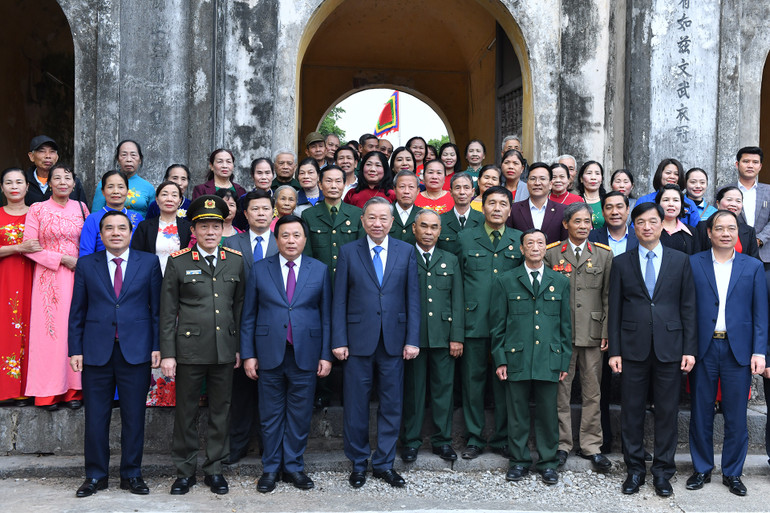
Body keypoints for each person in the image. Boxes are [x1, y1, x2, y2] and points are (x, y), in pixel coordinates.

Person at [68, 210, 163, 498]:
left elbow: (157, 310)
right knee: (96, 418)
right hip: (96, 351)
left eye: (122, 228)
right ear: (101, 234)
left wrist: (158, 346)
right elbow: (77, 311)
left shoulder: (148, 263)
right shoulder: (86, 264)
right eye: (109, 228)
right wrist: (75, 349)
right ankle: (95, 476)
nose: (116, 233)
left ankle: (131, 474)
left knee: (134, 417)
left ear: (130, 233)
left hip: (136, 350)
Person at [608, 202, 697, 497]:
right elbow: (615, 309)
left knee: (667, 413)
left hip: (670, 348)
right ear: (634, 227)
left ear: (662, 224)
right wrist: (615, 351)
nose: (647, 227)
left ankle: (662, 472)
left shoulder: (680, 260)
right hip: (632, 350)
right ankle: (634, 470)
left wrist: (689, 349)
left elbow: (688, 307)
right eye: (641, 222)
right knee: (631, 411)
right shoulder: (621, 262)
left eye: (652, 221)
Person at [159, 195, 245, 496]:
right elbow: (168, 312)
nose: (210, 232)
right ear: (193, 231)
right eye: (204, 226)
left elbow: (239, 307)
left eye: (216, 226)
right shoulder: (178, 262)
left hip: (224, 349)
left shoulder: (235, 260)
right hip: (189, 351)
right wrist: (168, 354)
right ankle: (184, 471)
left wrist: (238, 348)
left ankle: (215, 469)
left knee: (220, 411)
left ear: (223, 229)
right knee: (186, 412)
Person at [332, 196, 420, 489]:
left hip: (394, 342)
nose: (377, 223)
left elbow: (413, 299)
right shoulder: (348, 252)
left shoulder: (406, 251)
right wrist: (339, 339)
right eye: (372, 218)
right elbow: (339, 300)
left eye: (383, 218)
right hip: (357, 343)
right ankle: (358, 463)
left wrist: (412, 340)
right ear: (363, 220)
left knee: (392, 405)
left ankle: (383, 463)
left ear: (392, 222)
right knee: (355, 405)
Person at [241, 215, 332, 493]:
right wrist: (248, 354)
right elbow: (249, 315)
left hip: (306, 352)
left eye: (296, 235)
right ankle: (270, 468)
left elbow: (326, 316)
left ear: (305, 239)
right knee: (269, 414)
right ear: (276, 238)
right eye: (285, 236)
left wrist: (326, 354)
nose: (291, 241)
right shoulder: (260, 269)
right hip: (269, 353)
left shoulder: (319, 269)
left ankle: (293, 466)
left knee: (300, 413)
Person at [685, 210, 767, 496]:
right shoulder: (693, 264)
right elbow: (687, 310)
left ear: (738, 233)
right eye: (719, 228)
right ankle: (702, 468)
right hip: (703, 349)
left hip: (738, 350)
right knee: (700, 412)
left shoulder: (752, 267)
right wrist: (687, 348)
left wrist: (760, 352)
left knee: (736, 416)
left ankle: (733, 472)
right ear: (709, 232)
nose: (725, 233)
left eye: (731, 228)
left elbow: (760, 314)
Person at [490, 228, 571, 485]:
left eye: (540, 242)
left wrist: (563, 360)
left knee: (548, 413)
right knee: (517, 412)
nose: (535, 247)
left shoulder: (560, 281)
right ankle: (519, 461)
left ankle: (548, 463)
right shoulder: (506, 280)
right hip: (516, 357)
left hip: (548, 357)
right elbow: (498, 324)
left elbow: (565, 326)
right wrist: (500, 357)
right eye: (529, 243)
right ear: (522, 249)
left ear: (546, 248)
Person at [544, 203, 613, 472]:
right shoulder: (552, 254)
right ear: (566, 224)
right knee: (560, 392)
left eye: (587, 222)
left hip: (593, 334)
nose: (583, 226)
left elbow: (607, 297)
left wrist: (606, 331)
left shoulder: (604, 255)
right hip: (560, 335)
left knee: (592, 393)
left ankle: (591, 446)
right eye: (577, 221)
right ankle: (562, 444)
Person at [457, 186, 523, 459]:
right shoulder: (464, 238)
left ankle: (501, 437)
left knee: (504, 382)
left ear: (510, 209)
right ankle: (474, 436)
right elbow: (457, 283)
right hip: (473, 322)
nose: (497, 208)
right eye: (491, 203)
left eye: (503, 204)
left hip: (508, 326)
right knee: (472, 381)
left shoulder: (519, 239)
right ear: (481, 207)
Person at [23, 163, 88, 410]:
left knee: (74, 329)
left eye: (67, 178)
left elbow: (88, 241)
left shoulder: (81, 208)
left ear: (74, 184)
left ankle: (73, 391)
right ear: (48, 183)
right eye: (57, 178)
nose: (62, 182)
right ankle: (46, 392)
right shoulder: (37, 209)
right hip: (48, 277)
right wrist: (61, 259)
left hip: (77, 276)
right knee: (49, 333)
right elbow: (29, 246)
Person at [400, 210, 464, 463]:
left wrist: (457, 336)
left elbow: (457, 299)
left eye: (434, 227)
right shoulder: (403, 255)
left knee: (443, 391)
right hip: (413, 338)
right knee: (413, 392)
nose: (428, 232)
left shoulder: (450, 259)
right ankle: (411, 441)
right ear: (414, 229)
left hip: (443, 336)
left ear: (440, 230)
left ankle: (442, 440)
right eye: (423, 226)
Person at [221, 188, 278, 463]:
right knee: (241, 391)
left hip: (275, 328)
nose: (260, 213)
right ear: (245, 214)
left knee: (272, 392)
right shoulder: (231, 243)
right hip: (240, 323)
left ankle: (270, 446)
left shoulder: (284, 242)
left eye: (265, 208)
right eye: (254, 209)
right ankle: (239, 445)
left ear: (273, 212)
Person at [588, 191, 638, 453]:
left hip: (634, 321)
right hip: (601, 319)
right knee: (601, 386)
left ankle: (634, 444)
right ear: (603, 212)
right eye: (609, 207)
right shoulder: (593, 237)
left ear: (628, 210)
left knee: (634, 387)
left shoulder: (640, 237)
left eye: (620, 206)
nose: (615, 211)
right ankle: (603, 439)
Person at [0, 168, 38, 405]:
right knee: (6, 330)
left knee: (30, 328)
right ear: (2, 188)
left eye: (19, 182)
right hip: (5, 279)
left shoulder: (36, 215)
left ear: (27, 187)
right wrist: (17, 248)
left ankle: (28, 389)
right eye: (8, 182)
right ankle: (6, 390)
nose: (14, 186)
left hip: (33, 277)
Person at [302, 165, 364, 279]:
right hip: (319, 279)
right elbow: (307, 254)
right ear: (320, 185)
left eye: (338, 181)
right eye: (328, 181)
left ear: (344, 184)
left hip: (349, 278)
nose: (334, 186)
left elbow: (361, 252)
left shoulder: (357, 214)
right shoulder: (308, 215)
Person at [131, 181, 192, 275]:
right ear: (157, 199)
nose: (169, 199)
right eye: (164, 194)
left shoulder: (188, 228)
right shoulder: (144, 227)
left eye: (174, 195)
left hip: (180, 280)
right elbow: (136, 255)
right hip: (150, 278)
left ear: (179, 201)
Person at [79, 170, 144, 257]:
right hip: (99, 268)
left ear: (127, 191)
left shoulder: (137, 218)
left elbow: (143, 252)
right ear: (103, 191)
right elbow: (85, 254)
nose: (116, 191)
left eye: (121, 187)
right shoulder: (93, 219)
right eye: (110, 187)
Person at [727, 147, 770, 265]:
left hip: (765, 254)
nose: (750, 165)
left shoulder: (768, 191)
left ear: (760, 166)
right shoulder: (725, 191)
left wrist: (759, 239)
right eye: (746, 161)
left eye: (755, 162)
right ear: (737, 164)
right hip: (735, 251)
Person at [92, 140, 156, 218]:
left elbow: (153, 218)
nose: (129, 159)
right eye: (124, 155)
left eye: (133, 155)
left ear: (140, 159)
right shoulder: (105, 183)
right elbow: (96, 214)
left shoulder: (148, 187)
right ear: (118, 159)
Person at [507, 162, 566, 244]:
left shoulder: (562, 211)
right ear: (527, 184)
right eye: (533, 178)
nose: (537, 183)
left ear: (550, 184)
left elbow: (565, 242)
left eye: (542, 178)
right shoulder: (514, 209)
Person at [696, 186, 759, 258]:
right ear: (718, 203)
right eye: (729, 200)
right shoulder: (703, 227)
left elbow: (754, 261)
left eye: (738, 201)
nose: (733, 204)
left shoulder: (749, 231)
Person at [635, 158, 700, 227]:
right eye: (668, 173)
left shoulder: (689, 203)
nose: (672, 177)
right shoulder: (644, 201)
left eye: (676, 174)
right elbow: (635, 229)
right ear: (660, 175)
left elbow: (696, 232)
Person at [24, 135, 87, 206]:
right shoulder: (23, 182)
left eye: (52, 152)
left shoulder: (70, 182)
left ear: (57, 157)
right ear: (31, 156)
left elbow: (82, 212)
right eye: (42, 151)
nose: (48, 156)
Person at [439, 172, 484, 254]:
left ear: (473, 191)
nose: (462, 192)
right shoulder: (440, 220)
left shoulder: (483, 219)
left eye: (466, 188)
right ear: (451, 192)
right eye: (457, 188)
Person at [656, 184, 698, 255]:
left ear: (681, 205)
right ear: (658, 204)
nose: (671, 204)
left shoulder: (692, 232)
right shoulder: (650, 229)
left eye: (676, 200)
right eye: (666, 200)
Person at [389, 171, 422, 245]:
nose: (406, 191)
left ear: (418, 191)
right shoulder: (385, 212)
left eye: (411, 187)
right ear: (394, 189)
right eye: (402, 187)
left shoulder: (423, 215)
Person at [576, 161, 607, 229]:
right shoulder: (577, 201)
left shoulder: (607, 201)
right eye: (589, 173)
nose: (593, 177)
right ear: (581, 179)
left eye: (597, 173)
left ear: (601, 179)